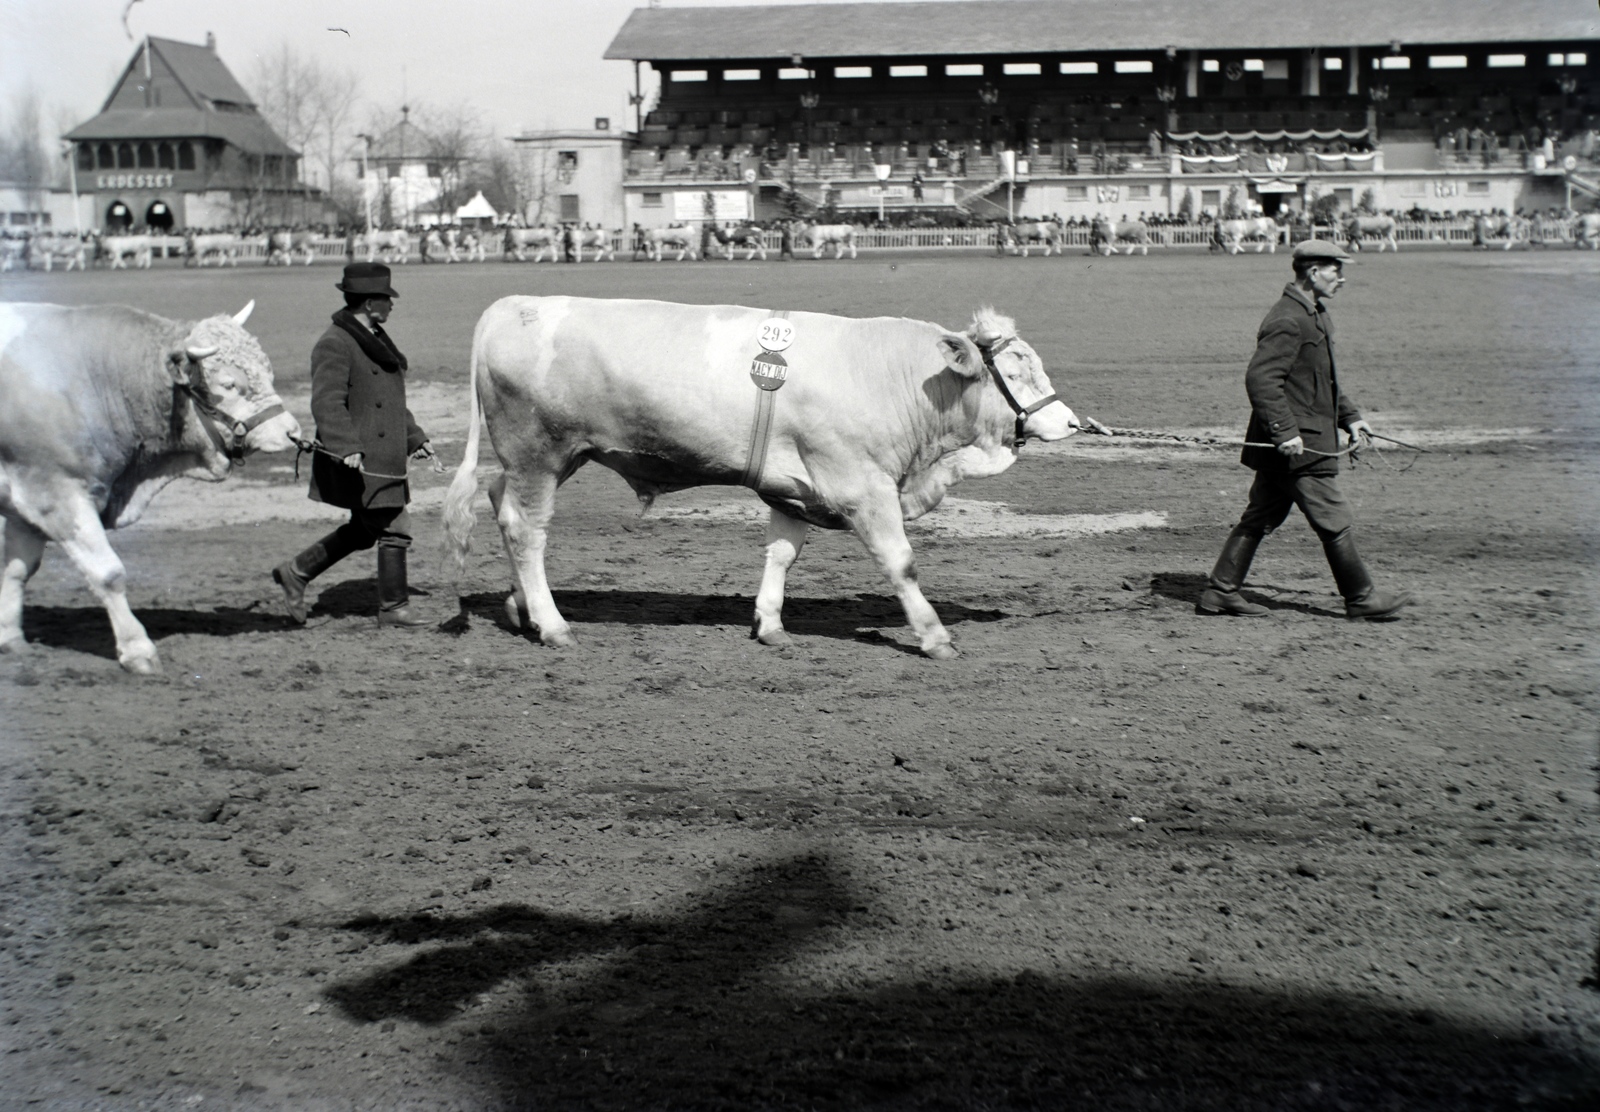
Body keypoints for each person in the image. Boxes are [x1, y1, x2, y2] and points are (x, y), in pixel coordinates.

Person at [1198, 240, 1412, 621]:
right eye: (1336, 270)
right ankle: (1361, 599)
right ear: (1313, 273)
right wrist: (1284, 431)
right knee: (1332, 516)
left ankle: (1220, 591)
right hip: (1299, 445)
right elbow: (1261, 379)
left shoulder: (1314, 313)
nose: (1342, 278)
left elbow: (1320, 380)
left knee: (1260, 515)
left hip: (1295, 442)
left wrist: (1351, 417)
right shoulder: (1288, 318)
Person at [272, 262, 438, 628]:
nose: (392, 304)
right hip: (358, 456)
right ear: (367, 303)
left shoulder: (374, 337)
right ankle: (393, 608)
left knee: (366, 530)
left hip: (382, 454)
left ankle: (296, 572)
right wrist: (346, 446)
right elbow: (327, 403)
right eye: (386, 298)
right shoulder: (334, 343)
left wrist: (414, 438)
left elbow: (390, 401)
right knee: (395, 526)